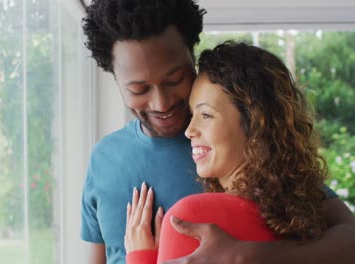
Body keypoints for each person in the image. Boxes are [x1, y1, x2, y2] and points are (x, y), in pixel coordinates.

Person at [80, 0, 355, 263]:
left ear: (192, 56)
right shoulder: (104, 159)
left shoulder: (234, 147)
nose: (161, 103)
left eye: (174, 79)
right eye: (139, 89)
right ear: (115, 78)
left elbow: (348, 238)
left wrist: (252, 257)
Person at [124, 41, 328, 263]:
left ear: (254, 124)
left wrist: (141, 257)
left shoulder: (191, 219)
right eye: (192, 115)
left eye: (206, 115)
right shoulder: (308, 217)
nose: (189, 131)